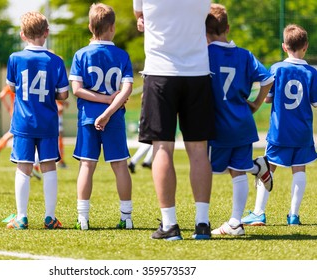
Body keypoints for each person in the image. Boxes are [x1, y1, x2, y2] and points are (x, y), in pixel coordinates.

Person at [134, 0, 215, 241]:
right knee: (199, 149)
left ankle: (170, 225)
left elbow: (140, 17)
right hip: (198, 73)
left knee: (162, 148)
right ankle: (202, 224)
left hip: (160, 73)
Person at [205, 4, 274, 236]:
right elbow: (267, 79)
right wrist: (255, 103)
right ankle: (235, 222)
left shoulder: (203, 54)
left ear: (204, 31)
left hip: (218, 126)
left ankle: (205, 221)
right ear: (228, 28)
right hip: (243, 123)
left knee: (207, 170)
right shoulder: (245, 55)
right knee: (238, 170)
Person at [242, 24, 317, 226]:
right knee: (299, 169)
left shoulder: (276, 68)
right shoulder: (311, 72)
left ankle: (259, 212)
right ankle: (293, 215)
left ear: (284, 47)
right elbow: (315, 102)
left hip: (279, 130)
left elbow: (268, 98)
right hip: (302, 131)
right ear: (306, 46)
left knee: (268, 168)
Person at [69, 3, 134, 230]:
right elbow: (126, 90)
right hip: (115, 116)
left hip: (88, 117)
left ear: (90, 26)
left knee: (87, 165)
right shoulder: (122, 55)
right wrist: (110, 104)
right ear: (113, 27)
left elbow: (77, 89)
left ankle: (83, 218)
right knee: (120, 165)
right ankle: (126, 218)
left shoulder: (81, 54)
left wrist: (102, 103)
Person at [5, 11, 69, 230]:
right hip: (47, 121)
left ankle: (21, 217)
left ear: (23, 34)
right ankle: (50, 217)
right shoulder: (56, 61)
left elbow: (12, 87)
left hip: (23, 121)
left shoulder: (15, 58)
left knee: (23, 167)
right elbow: (63, 95)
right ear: (47, 32)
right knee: (49, 166)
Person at [0, 85, 42, 180]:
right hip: (22, 111)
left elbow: (2, 95)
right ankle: (32, 165)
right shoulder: (17, 83)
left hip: (18, 110)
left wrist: (8, 107)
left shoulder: (14, 83)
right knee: (21, 134)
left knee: (16, 133)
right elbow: (2, 95)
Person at [57, 100, 68, 168]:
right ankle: (59, 161)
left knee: (60, 142)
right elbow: (60, 108)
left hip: (58, 121)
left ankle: (60, 160)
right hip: (55, 121)